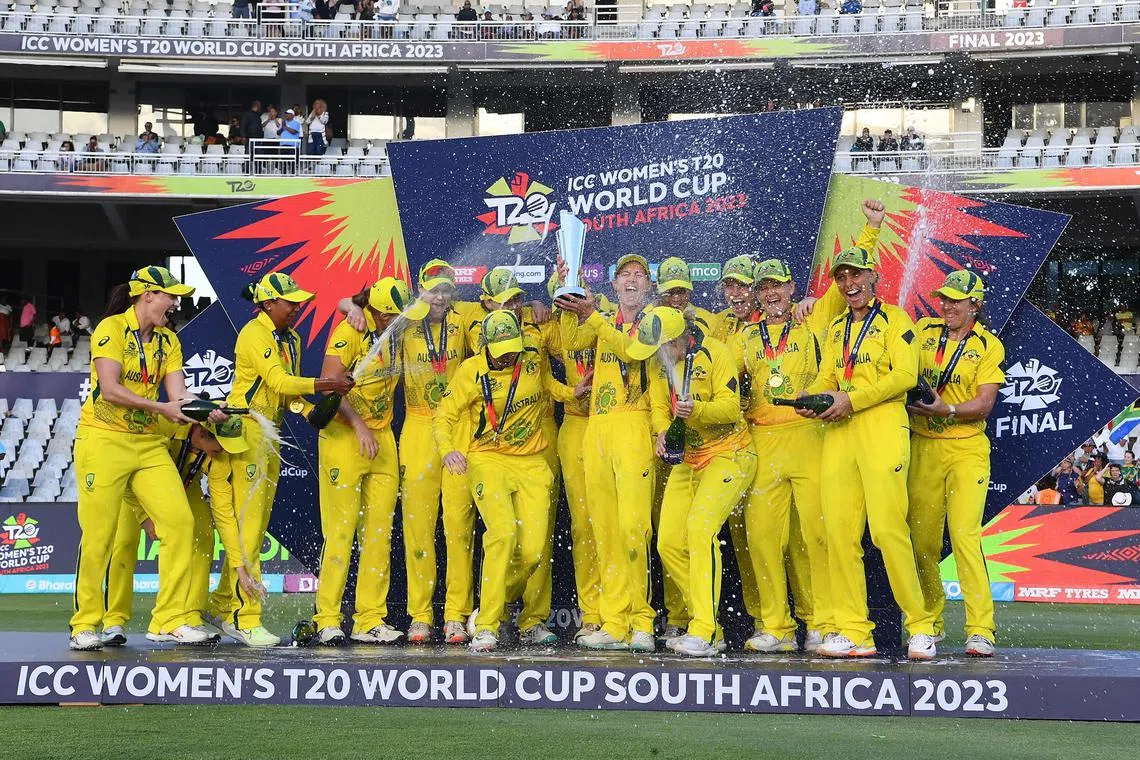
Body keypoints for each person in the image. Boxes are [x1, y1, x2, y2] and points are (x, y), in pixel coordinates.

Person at [68, 266, 224, 651]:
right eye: (170, 295)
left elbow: (180, 397)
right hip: (103, 441)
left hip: (147, 443)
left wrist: (210, 409)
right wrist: (163, 408)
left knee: (180, 523)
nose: (175, 302)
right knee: (99, 537)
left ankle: (168, 620)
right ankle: (85, 625)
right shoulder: (110, 329)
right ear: (147, 295)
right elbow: (109, 389)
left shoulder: (168, 340)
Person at [797, 245, 939, 660]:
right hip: (838, 433)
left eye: (856, 275)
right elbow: (827, 377)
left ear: (873, 276)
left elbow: (905, 376)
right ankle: (855, 631)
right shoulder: (837, 327)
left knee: (887, 532)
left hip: (881, 428)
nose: (849, 284)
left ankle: (920, 626)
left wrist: (851, 399)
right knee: (838, 535)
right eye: (841, 278)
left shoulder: (896, 320)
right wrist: (816, 399)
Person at [205, 272, 354, 647]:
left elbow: (287, 395)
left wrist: (308, 411)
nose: (297, 308)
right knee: (250, 529)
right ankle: (246, 617)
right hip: (246, 432)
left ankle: (223, 605)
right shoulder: (254, 334)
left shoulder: (292, 338)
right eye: (290, 303)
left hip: (268, 435)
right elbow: (278, 381)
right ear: (269, 304)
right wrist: (326, 386)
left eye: (298, 301)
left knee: (252, 526)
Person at [434, 310, 582, 652]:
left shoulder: (530, 357)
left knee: (532, 552)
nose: (509, 354)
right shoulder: (470, 372)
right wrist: (446, 450)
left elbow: (548, 386)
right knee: (502, 535)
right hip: (488, 460)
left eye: (513, 346)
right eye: (502, 349)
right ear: (485, 345)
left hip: (532, 462)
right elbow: (444, 416)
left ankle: (490, 604)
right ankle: (487, 625)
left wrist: (574, 391)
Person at [634, 307, 756, 656]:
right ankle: (709, 626)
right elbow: (659, 408)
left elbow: (731, 409)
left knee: (700, 530)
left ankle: (703, 628)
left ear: (678, 340)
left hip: (729, 453)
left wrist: (697, 410)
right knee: (669, 543)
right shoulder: (659, 365)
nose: (657, 355)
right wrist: (660, 431)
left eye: (662, 348)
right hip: (689, 460)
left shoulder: (716, 353)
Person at [312, 278, 426, 646]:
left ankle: (369, 620)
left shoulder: (394, 332)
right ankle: (327, 619)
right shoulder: (351, 330)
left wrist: (349, 302)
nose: (401, 320)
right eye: (393, 315)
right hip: (345, 440)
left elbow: (345, 299)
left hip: (383, 441)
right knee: (341, 534)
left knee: (378, 535)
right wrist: (359, 424)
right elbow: (329, 383)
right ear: (378, 312)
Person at [554, 254, 658, 652]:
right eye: (624, 275)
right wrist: (567, 299)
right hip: (596, 425)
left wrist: (593, 316)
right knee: (605, 530)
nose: (631, 280)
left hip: (633, 423)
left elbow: (634, 352)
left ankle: (642, 620)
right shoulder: (601, 320)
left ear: (647, 286)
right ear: (614, 285)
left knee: (634, 529)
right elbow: (572, 343)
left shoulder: (655, 319)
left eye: (638, 275)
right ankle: (615, 622)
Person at [906, 270, 1006, 658]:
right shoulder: (922, 330)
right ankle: (929, 623)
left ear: (974, 305)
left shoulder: (988, 345)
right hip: (923, 446)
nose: (946, 305)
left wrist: (945, 408)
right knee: (923, 542)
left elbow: (984, 403)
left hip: (966, 448)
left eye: (954, 300)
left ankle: (981, 629)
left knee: (965, 537)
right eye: (943, 298)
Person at [101, 418, 252, 646]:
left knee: (203, 537)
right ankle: (114, 620)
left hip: (183, 487)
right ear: (201, 432)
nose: (222, 452)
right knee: (123, 544)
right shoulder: (165, 428)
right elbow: (128, 467)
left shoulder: (217, 458)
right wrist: (145, 517)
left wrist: (239, 566)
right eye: (220, 445)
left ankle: (189, 616)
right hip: (132, 486)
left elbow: (223, 514)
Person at [396, 261, 476, 645]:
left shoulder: (467, 316)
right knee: (418, 528)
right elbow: (356, 308)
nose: (441, 297)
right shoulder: (405, 322)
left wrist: (539, 308)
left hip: (457, 427)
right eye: (433, 290)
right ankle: (420, 616)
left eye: (446, 289)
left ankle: (457, 615)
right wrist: (352, 306)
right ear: (420, 291)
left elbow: (512, 312)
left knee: (458, 528)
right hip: (416, 427)